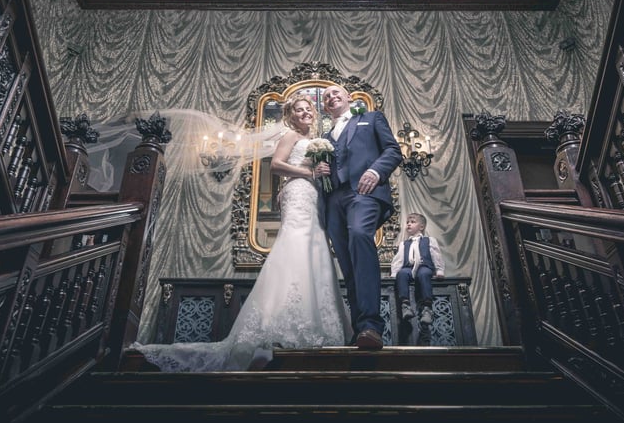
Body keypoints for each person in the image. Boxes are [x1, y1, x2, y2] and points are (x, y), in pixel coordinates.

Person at [131, 94, 352, 371]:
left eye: (309, 109)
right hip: (299, 192)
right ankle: (280, 326)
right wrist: (310, 174)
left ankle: (318, 323)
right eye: (299, 109)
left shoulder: (318, 139)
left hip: (313, 197)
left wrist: (321, 175)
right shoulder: (289, 135)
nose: (305, 112)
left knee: (315, 247)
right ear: (291, 115)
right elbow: (276, 165)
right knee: (296, 245)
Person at [313, 85, 402, 350]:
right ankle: (359, 329)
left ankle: (372, 326)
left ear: (349, 97)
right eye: (326, 96)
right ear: (325, 107)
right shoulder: (325, 136)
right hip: (333, 201)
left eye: (335, 92)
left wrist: (376, 171)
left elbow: (393, 151)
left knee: (361, 236)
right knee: (348, 261)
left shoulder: (371, 118)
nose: (331, 97)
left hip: (363, 193)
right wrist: (320, 170)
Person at [389, 213, 446, 326]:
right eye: (407, 222)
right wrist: (395, 272)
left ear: (421, 226)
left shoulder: (429, 240)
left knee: (424, 274)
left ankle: (427, 309)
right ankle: (405, 306)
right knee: (402, 274)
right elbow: (399, 259)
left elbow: (436, 255)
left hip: (424, 266)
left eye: (413, 222)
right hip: (408, 268)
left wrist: (439, 270)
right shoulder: (404, 244)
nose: (409, 224)